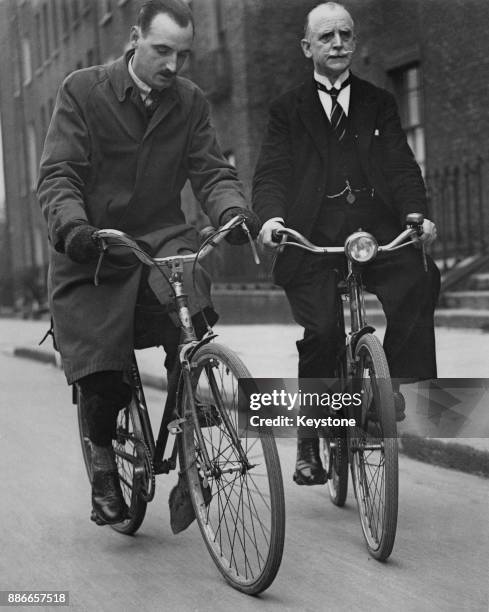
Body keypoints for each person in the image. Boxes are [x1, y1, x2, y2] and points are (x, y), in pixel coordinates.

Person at [37, 0, 259, 524]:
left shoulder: (189, 101)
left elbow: (211, 171)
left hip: (160, 241)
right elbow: (60, 173)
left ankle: (188, 438)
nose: (173, 65)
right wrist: (73, 228)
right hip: (92, 249)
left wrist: (233, 212)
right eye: (162, 50)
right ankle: (103, 469)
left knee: (189, 320)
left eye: (182, 54)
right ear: (134, 38)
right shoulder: (82, 91)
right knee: (103, 374)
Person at [253, 2, 440, 485]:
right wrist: (272, 220)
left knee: (421, 277)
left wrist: (416, 217)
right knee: (321, 332)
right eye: (327, 37)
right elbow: (272, 172)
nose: (337, 44)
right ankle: (311, 443)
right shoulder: (286, 110)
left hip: (372, 237)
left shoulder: (379, 102)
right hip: (311, 241)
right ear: (307, 47)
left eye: (345, 35)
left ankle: (388, 389)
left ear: (354, 42)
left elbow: (401, 165)